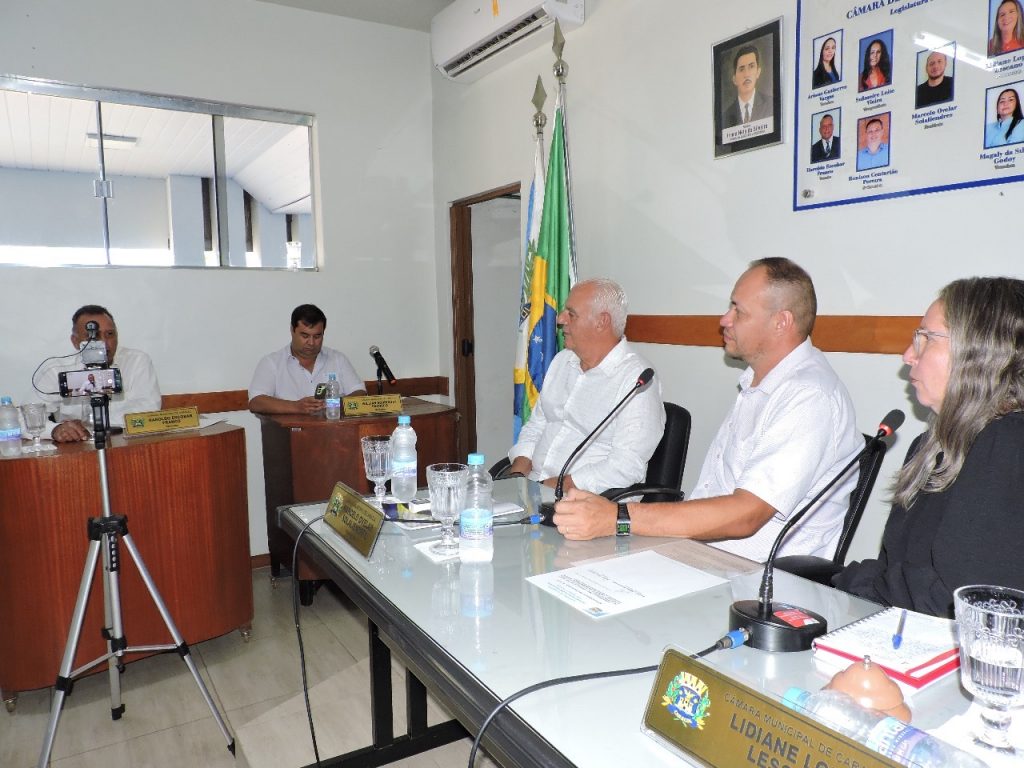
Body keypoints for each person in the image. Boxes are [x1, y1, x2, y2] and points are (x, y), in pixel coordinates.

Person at [554, 259, 862, 562]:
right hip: (705, 557)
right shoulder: (761, 385)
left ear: (781, 322)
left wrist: (618, 517)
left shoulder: (809, 396)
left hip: (760, 583)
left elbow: (747, 515)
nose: (724, 320)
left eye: (738, 311)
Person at [833, 278, 1024, 618]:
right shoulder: (929, 445)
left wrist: (849, 581)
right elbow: (896, 569)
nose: (908, 355)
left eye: (925, 339)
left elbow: (958, 602)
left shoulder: (1009, 444)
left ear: (979, 351)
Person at [507, 278, 665, 494]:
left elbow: (626, 467)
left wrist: (551, 487)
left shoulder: (636, 381)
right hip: (535, 489)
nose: (560, 319)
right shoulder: (562, 361)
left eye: (571, 314)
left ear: (602, 321)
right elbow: (536, 426)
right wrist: (517, 478)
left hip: (588, 502)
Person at [37, 304, 162, 443]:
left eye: (109, 334)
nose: (104, 343)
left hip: (125, 445)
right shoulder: (56, 369)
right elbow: (23, 417)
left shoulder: (137, 361)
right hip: (76, 451)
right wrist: (54, 430)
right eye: (93, 337)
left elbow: (148, 410)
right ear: (75, 341)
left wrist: (89, 423)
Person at [248, 304, 365, 415]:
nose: (311, 343)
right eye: (305, 336)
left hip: (335, 432)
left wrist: (332, 404)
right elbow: (256, 402)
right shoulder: (272, 363)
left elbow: (360, 393)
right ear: (292, 330)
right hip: (289, 434)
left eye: (317, 336)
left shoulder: (338, 359)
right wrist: (296, 407)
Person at [722, 45, 772, 128]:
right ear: (734, 79)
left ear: (758, 72)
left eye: (751, 66)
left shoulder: (771, 104)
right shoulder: (725, 116)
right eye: (741, 69)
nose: (747, 74)